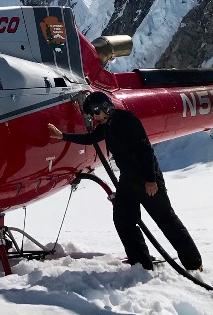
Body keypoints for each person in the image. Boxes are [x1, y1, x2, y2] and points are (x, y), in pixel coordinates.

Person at [48, 91, 203, 271]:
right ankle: (140, 264)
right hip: (128, 180)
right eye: (92, 115)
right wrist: (63, 136)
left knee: (166, 220)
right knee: (123, 219)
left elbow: (145, 149)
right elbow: (91, 139)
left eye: (95, 113)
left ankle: (194, 263)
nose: (95, 118)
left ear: (105, 107)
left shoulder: (127, 120)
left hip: (147, 179)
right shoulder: (107, 125)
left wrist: (151, 180)